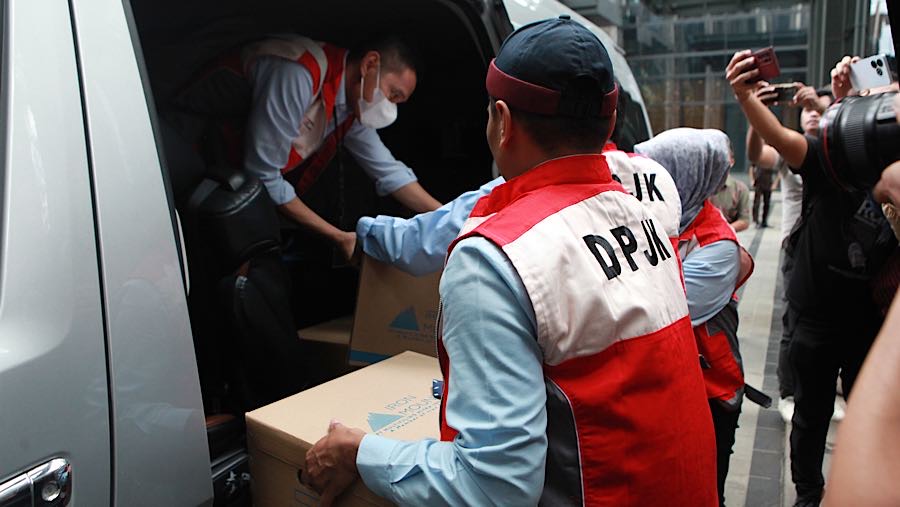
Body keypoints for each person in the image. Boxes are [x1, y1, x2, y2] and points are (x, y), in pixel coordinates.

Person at [303, 17, 717, 506]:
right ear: (608, 124)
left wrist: (362, 453)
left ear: (502, 122)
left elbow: (495, 488)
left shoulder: (496, 258)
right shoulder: (650, 212)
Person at [727, 51, 898, 507]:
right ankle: (807, 494)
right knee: (810, 415)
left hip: (871, 321)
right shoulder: (832, 158)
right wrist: (745, 98)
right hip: (816, 315)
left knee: (869, 410)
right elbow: (780, 140)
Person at [175, 35, 442, 259]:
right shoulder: (299, 72)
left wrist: (452, 217)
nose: (390, 108)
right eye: (393, 94)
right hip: (182, 154)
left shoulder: (351, 108)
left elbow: (389, 172)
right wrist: (338, 238)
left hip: (225, 177)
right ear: (370, 64)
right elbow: (264, 175)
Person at [635, 128, 754, 507]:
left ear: (682, 179)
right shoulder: (658, 222)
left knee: (702, 492)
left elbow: (659, 313)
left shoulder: (718, 247)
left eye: (656, 174)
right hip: (667, 389)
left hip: (709, 395)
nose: (641, 182)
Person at [356, 140, 682, 276]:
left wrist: (364, 234)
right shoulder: (653, 175)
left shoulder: (516, 192)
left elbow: (423, 242)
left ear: (504, 122)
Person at [745, 83, 833, 423]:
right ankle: (788, 391)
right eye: (807, 108)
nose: (812, 112)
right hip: (795, 248)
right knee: (792, 321)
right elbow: (757, 156)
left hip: (832, 249)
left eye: (818, 107)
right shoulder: (790, 148)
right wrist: (757, 118)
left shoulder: (839, 148)